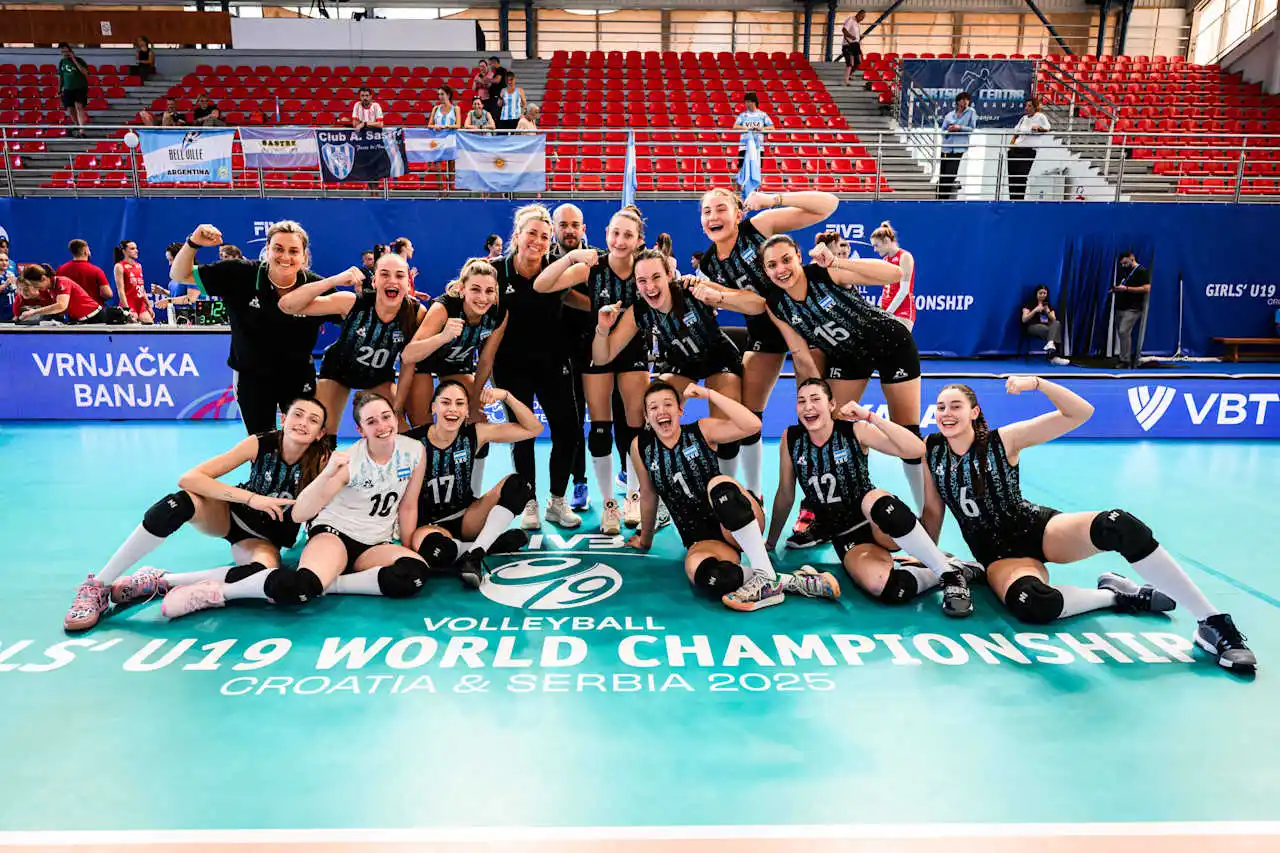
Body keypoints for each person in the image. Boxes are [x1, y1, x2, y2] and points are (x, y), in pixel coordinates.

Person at [923, 378, 1256, 673]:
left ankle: (1212, 622)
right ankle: (1115, 595)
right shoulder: (933, 451)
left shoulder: (1003, 441)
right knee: (1035, 603)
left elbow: (1079, 413)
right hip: (998, 556)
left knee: (1118, 525)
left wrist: (1038, 384)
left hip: (1037, 529)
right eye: (941, 407)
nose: (947, 413)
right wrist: (931, 559)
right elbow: (933, 510)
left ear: (975, 412)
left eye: (956, 406)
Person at [710, 236, 929, 521]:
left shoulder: (825, 271)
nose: (781, 269)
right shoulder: (776, 304)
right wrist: (817, 394)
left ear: (799, 255)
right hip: (849, 357)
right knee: (829, 429)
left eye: (787, 259)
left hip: (891, 344)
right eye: (772, 265)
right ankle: (835, 507)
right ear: (765, 270)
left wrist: (838, 261)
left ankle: (926, 515)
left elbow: (895, 274)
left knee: (908, 436)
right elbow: (800, 353)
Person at [159, 392, 432, 618]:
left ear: (395, 418)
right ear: (361, 430)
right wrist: (327, 474)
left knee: (414, 574)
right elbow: (301, 512)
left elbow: (408, 506)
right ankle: (213, 591)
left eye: (386, 417)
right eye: (372, 422)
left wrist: (405, 548)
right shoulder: (349, 461)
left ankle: (333, 582)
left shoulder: (414, 451)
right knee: (302, 589)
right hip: (335, 536)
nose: (382, 426)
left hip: (375, 543)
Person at [64, 399, 330, 631]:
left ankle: (161, 581)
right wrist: (251, 498)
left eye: (313, 420)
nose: (303, 422)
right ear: (283, 419)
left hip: (265, 539)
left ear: (320, 433)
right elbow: (190, 478)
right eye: (298, 414)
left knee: (263, 573)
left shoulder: (323, 461)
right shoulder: (260, 443)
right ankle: (98, 585)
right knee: (176, 504)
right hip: (229, 515)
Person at [697, 188, 839, 536]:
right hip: (766, 331)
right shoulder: (710, 264)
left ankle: (817, 506)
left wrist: (773, 199)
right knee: (746, 412)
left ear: (738, 213)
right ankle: (751, 493)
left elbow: (829, 205)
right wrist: (717, 296)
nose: (713, 217)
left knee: (819, 412)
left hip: (805, 321)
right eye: (706, 212)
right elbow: (752, 305)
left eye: (720, 209)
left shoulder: (759, 226)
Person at [767, 379, 975, 616]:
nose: (808, 407)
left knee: (872, 500)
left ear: (832, 404)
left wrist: (869, 416)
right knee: (882, 586)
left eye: (816, 399)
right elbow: (785, 493)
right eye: (801, 401)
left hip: (879, 521)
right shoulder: (792, 438)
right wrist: (771, 541)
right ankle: (956, 568)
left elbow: (916, 450)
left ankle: (947, 576)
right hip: (846, 534)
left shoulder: (854, 430)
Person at [626, 381, 840, 612]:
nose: (661, 412)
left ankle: (764, 575)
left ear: (680, 410)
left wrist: (709, 394)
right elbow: (648, 493)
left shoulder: (702, 430)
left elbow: (752, 425)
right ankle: (789, 582)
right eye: (653, 408)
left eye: (668, 404)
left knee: (719, 484)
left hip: (736, 513)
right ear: (647, 417)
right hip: (703, 539)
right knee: (708, 577)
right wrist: (645, 540)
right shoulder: (641, 446)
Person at [171, 221, 353, 435]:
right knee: (261, 445)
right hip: (252, 376)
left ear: (304, 256)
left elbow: (354, 319)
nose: (285, 257)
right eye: (278, 249)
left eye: (293, 251)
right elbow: (179, 275)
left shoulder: (318, 288)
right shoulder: (239, 274)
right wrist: (193, 243)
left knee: (304, 446)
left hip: (298, 377)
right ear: (267, 250)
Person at [535, 207, 649, 534]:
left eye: (628, 235)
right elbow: (543, 285)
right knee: (600, 428)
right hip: (595, 348)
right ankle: (609, 503)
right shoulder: (592, 267)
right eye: (614, 233)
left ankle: (634, 497)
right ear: (605, 234)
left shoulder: (645, 267)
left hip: (633, 351)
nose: (620, 240)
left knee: (634, 425)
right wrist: (571, 259)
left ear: (639, 240)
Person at [492, 204, 589, 531]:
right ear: (517, 235)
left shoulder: (555, 269)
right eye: (531, 233)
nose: (537, 241)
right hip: (509, 365)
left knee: (569, 432)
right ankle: (529, 500)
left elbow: (576, 294)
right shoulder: (495, 271)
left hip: (553, 362)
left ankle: (557, 501)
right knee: (523, 434)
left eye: (545, 236)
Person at [407, 380, 541, 587]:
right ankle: (490, 543)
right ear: (434, 407)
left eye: (460, 404)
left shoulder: (474, 434)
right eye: (445, 402)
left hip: (468, 517)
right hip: (428, 525)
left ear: (467, 411)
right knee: (438, 555)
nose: (452, 409)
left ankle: (475, 555)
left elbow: (533, 428)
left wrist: (506, 396)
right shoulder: (412, 442)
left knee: (519, 485)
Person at [278, 252, 423, 438]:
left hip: (379, 377)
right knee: (320, 434)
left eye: (400, 275)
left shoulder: (415, 313)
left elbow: (408, 362)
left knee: (399, 431)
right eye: (385, 274)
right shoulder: (352, 302)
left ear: (408, 282)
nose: (392, 280)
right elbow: (287, 305)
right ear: (374, 281)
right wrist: (332, 281)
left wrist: (397, 408)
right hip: (338, 371)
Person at [398, 258, 508, 462]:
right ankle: (424, 481)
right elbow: (408, 354)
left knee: (478, 423)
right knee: (425, 428)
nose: (483, 298)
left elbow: (485, 362)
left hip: (456, 364)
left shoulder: (497, 314)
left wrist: (475, 406)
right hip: (424, 362)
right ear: (462, 289)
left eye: (489, 291)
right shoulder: (444, 308)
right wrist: (443, 336)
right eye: (475, 289)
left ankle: (469, 486)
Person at [549, 203, 596, 514]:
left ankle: (626, 481)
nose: (569, 230)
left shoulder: (599, 259)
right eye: (563, 224)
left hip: (599, 350)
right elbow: (555, 292)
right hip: (559, 354)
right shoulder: (545, 260)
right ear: (555, 228)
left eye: (574, 224)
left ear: (583, 229)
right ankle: (577, 482)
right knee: (571, 424)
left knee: (611, 421)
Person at [14, 264, 109, 324]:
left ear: (43, 278)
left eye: (35, 284)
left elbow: (61, 306)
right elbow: (33, 296)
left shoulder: (62, 282)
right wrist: (22, 290)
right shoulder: (48, 289)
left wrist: (33, 312)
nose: (36, 288)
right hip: (79, 320)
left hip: (96, 318)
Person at [869, 221, 916, 331]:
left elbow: (904, 290)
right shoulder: (885, 260)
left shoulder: (905, 257)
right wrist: (880, 310)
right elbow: (885, 289)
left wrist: (887, 313)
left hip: (902, 310)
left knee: (899, 347)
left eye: (876, 245)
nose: (875, 250)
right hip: (886, 309)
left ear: (886, 241)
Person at [1006, 96, 1049, 201]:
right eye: (1026, 106)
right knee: (1012, 177)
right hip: (1015, 150)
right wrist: (1010, 147)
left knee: (1021, 176)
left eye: (1029, 106)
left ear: (1035, 107)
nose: (1027, 108)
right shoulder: (1023, 118)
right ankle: (1012, 199)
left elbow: (1047, 128)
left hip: (1028, 151)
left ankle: (1019, 200)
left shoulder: (1040, 116)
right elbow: (1016, 133)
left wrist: (1038, 128)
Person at [1112, 251, 1150, 368]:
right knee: (1122, 333)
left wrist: (1127, 289)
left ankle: (1126, 361)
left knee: (1124, 331)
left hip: (1133, 308)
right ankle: (1123, 357)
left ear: (1131, 258)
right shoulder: (1125, 271)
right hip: (1121, 307)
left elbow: (1146, 288)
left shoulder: (1141, 271)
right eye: (1122, 264)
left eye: (1125, 263)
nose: (1124, 265)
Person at [938, 92, 976, 200]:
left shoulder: (971, 112)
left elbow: (972, 129)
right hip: (946, 147)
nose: (965, 102)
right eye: (963, 99)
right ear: (958, 102)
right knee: (943, 174)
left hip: (958, 148)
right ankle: (939, 199)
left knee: (951, 174)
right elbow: (942, 131)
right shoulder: (949, 115)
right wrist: (949, 131)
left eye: (967, 100)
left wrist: (959, 127)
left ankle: (945, 199)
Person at [1022, 285, 1068, 365]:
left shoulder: (1048, 305)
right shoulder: (1029, 304)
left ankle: (1050, 344)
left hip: (1047, 327)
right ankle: (1053, 357)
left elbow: (1054, 319)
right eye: (1041, 293)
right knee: (1053, 332)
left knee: (1057, 324)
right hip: (1033, 327)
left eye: (1045, 293)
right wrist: (1035, 310)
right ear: (1036, 294)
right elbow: (1024, 319)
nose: (1043, 295)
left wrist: (1047, 312)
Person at [57, 239, 112, 305]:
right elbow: (108, 294)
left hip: (71, 311)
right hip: (94, 309)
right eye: (89, 249)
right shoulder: (96, 271)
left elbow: (57, 291)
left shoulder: (61, 269)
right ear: (85, 251)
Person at [731, 93, 773, 174]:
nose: (746, 104)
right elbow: (735, 126)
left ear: (753, 102)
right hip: (744, 147)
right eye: (746, 102)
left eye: (748, 102)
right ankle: (741, 186)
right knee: (741, 170)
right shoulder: (742, 115)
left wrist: (762, 128)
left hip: (758, 147)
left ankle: (755, 187)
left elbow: (772, 127)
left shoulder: (762, 115)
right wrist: (746, 129)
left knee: (756, 171)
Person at [113, 239, 153, 324]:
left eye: (136, 248)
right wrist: (126, 310)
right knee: (132, 332)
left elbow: (142, 288)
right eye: (132, 249)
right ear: (124, 251)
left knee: (150, 325)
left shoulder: (139, 266)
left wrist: (149, 306)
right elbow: (121, 290)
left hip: (141, 305)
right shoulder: (119, 266)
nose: (136, 251)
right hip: (129, 304)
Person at [56, 43, 90, 137]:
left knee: (79, 106)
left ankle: (82, 130)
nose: (65, 53)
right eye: (63, 52)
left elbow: (85, 72)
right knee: (70, 109)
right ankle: (77, 125)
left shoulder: (79, 60)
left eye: (66, 51)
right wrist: (59, 89)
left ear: (70, 51)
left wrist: (74, 60)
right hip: (68, 88)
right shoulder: (62, 62)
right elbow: (61, 77)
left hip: (80, 87)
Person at [841, 10, 866, 84]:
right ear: (858, 14)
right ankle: (846, 80)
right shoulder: (851, 20)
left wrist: (859, 37)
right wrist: (851, 37)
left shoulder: (858, 23)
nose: (862, 18)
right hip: (848, 45)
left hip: (855, 44)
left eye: (863, 17)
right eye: (861, 16)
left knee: (858, 62)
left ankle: (849, 75)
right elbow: (844, 30)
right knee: (850, 63)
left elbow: (855, 36)